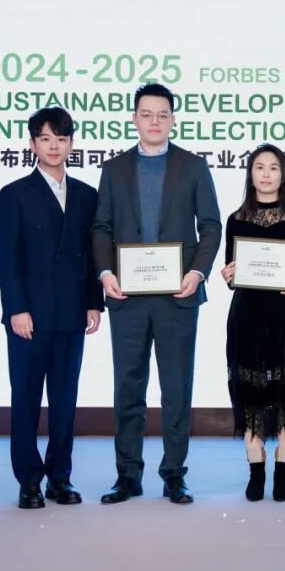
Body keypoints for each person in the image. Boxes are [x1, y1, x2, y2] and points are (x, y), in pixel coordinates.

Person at [92, 83, 222, 505]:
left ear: (172, 120)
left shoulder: (193, 166)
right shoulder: (114, 169)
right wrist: (106, 272)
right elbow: (101, 227)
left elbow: (211, 225)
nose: (154, 121)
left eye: (162, 114)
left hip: (178, 295)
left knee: (176, 388)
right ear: (134, 119)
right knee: (128, 386)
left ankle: (174, 475)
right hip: (126, 296)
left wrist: (197, 272)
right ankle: (127, 475)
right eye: (146, 114)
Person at [0, 106, 103, 509]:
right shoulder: (14, 194)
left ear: (72, 144)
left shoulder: (88, 195)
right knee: (25, 399)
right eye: (45, 138)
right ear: (32, 143)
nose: (54, 146)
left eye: (61, 138)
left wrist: (94, 303)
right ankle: (29, 480)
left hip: (72, 314)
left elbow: (93, 255)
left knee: (64, 401)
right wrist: (16, 308)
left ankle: (60, 477)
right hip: (30, 317)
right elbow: (6, 257)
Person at [219, 144, 285, 502]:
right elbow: (232, 271)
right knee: (250, 393)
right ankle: (255, 467)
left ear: (284, 174)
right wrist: (228, 275)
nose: (265, 174)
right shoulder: (236, 219)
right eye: (259, 167)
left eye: (273, 167)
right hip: (247, 315)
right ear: (250, 174)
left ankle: (283, 467)